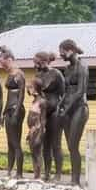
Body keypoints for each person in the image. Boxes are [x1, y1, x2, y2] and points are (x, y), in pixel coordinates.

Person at [59, 39, 89, 186]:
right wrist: (60, 105)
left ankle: (75, 179)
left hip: (79, 108)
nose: (61, 55)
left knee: (73, 144)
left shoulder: (82, 67)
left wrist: (68, 108)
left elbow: (80, 91)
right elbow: (66, 91)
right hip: (67, 108)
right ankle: (73, 177)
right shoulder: (67, 69)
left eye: (62, 52)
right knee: (69, 146)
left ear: (70, 50)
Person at [33, 51, 65, 181]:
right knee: (45, 143)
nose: (34, 65)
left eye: (36, 62)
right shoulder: (38, 75)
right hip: (43, 111)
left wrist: (59, 108)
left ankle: (58, 174)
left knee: (56, 144)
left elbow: (63, 94)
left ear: (43, 61)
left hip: (55, 110)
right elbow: (38, 94)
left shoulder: (56, 74)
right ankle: (46, 173)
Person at [0, 45, 25, 178]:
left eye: (3, 63)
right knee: (9, 142)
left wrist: (16, 112)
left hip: (16, 110)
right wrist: (3, 113)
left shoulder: (19, 74)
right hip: (9, 109)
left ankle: (19, 173)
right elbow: (9, 96)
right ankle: (9, 170)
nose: (2, 66)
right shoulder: (10, 74)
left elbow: (21, 95)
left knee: (15, 142)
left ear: (9, 59)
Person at [27, 77, 48, 179]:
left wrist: (40, 134)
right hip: (32, 130)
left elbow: (43, 119)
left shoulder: (42, 102)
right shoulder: (34, 101)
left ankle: (38, 176)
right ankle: (35, 174)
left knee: (37, 152)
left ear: (36, 88)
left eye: (31, 87)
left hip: (38, 129)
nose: (29, 88)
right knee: (33, 152)